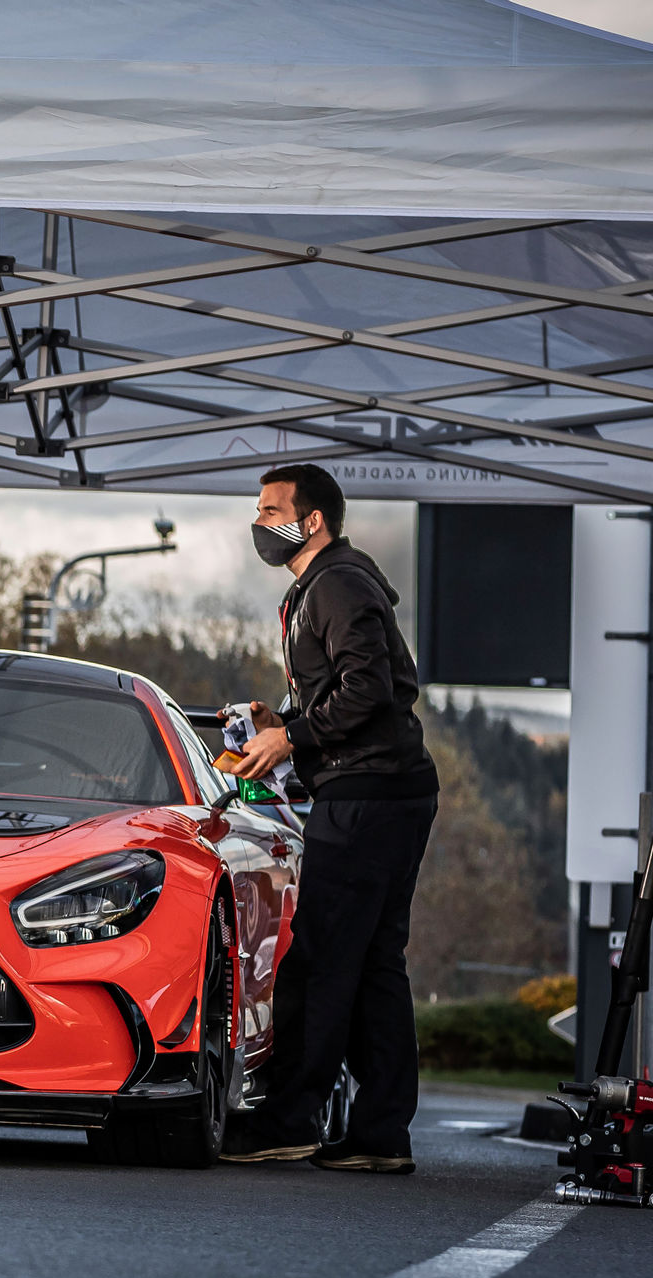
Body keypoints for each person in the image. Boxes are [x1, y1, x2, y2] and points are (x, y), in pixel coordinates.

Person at [219, 464, 438, 1174]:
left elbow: (369, 690)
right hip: (387, 790)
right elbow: (349, 691)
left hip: (367, 796)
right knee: (375, 965)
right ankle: (379, 1133)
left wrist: (292, 737)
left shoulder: (337, 583)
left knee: (316, 963)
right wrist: (278, 720)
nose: (261, 522)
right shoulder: (331, 582)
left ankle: (290, 1120)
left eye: (273, 510)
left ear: (312, 520)